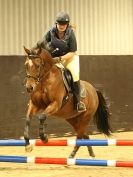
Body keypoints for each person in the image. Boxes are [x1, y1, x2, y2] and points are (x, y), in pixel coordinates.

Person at [31, 11, 86, 112]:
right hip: (54, 58)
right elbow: (40, 43)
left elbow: (73, 52)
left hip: (69, 57)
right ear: (56, 24)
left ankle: (78, 102)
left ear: (67, 24)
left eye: (64, 24)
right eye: (60, 24)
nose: (61, 26)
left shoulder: (70, 33)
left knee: (74, 75)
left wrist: (60, 59)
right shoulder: (51, 32)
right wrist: (32, 51)